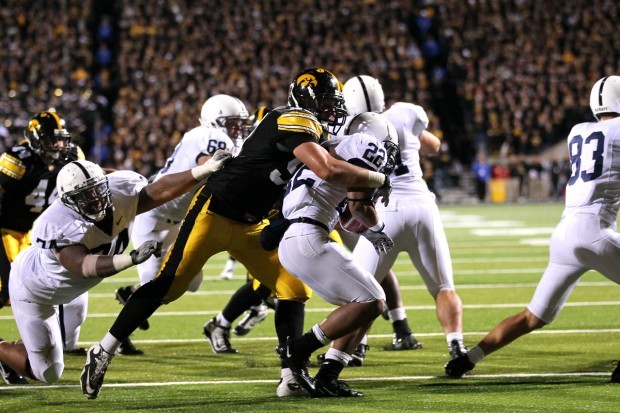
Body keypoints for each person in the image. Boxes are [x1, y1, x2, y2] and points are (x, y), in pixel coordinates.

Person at [80, 67, 393, 400]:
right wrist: (379, 179)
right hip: (215, 210)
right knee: (167, 286)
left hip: (251, 221)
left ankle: (291, 375)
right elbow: (327, 169)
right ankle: (103, 350)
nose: (334, 109)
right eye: (328, 101)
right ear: (307, 98)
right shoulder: (293, 119)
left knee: (291, 287)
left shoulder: (314, 135)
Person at [445, 75, 620, 383]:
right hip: (596, 230)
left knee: (531, 317)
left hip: (565, 234)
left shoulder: (577, 131)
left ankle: (469, 358)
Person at [0, 154, 230, 388]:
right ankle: (2, 350)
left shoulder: (118, 190)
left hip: (71, 290)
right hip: (34, 289)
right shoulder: (57, 222)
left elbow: (158, 191)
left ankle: (24, 346)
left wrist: (203, 171)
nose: (95, 199)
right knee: (48, 371)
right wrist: (129, 259)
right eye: (84, 196)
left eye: (96, 190)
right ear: (69, 201)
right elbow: (83, 266)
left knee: (68, 341)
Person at [114, 94, 249, 354]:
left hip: (178, 220)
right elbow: (209, 165)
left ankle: (130, 292)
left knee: (191, 282)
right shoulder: (205, 135)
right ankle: (116, 341)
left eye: (239, 124)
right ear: (215, 122)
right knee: (156, 287)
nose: (237, 130)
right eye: (232, 124)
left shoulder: (222, 140)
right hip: (152, 217)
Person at [345, 75, 467, 361]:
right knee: (443, 287)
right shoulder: (405, 112)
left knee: (363, 289)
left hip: (383, 210)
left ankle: (355, 348)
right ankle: (456, 344)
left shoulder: (351, 128)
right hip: (422, 205)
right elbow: (434, 146)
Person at [278, 111, 397, 397]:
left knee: (364, 301)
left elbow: (346, 218)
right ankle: (298, 349)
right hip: (309, 235)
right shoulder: (364, 144)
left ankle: (329, 375)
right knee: (373, 300)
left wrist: (366, 231)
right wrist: (379, 227)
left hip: (297, 235)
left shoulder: (336, 145)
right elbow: (358, 208)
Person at [0, 111, 87, 382]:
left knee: (33, 290)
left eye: (60, 140)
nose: (58, 146)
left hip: (33, 235)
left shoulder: (71, 157)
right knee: (7, 291)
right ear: (36, 139)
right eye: (52, 140)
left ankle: (11, 354)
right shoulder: (17, 159)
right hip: (5, 231)